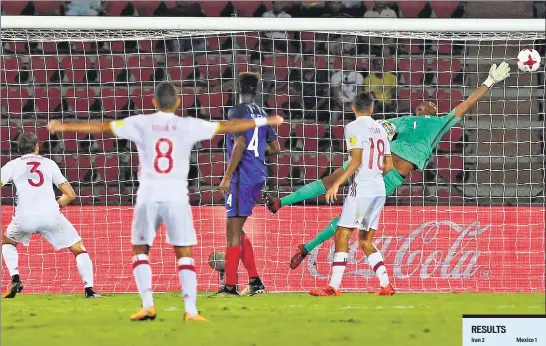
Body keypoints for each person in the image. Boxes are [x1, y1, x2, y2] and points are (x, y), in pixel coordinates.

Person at [263, 62, 511, 294]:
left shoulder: (439, 122)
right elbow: (375, 130)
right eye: (423, 103)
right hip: (372, 165)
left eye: (431, 103)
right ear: (417, 109)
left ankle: (308, 251)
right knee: (332, 183)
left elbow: (466, 104)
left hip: (388, 178)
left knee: (346, 225)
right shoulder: (402, 121)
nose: (427, 104)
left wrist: (489, 81)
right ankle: (282, 202)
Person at [47, 81, 284, 320]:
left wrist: (64, 126)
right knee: (184, 251)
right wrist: (266, 121)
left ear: (153, 101)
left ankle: (148, 305)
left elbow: (101, 127)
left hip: (148, 195)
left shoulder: (140, 122)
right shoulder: (187, 125)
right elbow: (226, 126)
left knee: (140, 250)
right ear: (178, 102)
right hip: (176, 197)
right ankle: (191, 311)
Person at [309, 93, 392, 296]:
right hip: (378, 189)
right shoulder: (381, 128)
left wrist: (336, 183)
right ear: (372, 109)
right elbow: (388, 166)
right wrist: (373, 173)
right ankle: (385, 284)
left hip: (362, 188)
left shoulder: (353, 127)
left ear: (353, 108)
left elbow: (355, 160)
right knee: (365, 240)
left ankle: (334, 287)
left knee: (342, 234)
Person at [1, 133, 101, 299]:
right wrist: (56, 205)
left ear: (19, 149)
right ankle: (89, 290)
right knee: (78, 248)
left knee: (8, 242)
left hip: (24, 217)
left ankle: (15, 278)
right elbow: (70, 195)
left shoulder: (12, 165)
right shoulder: (49, 164)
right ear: (37, 146)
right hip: (50, 216)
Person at [215, 73, 281, 297]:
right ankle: (255, 281)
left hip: (241, 177)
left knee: (232, 231)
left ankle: (230, 287)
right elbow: (275, 148)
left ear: (238, 88)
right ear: (256, 90)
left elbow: (239, 143)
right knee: (236, 228)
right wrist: (256, 152)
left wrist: (226, 177)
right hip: (258, 174)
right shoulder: (262, 114)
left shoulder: (236, 111)